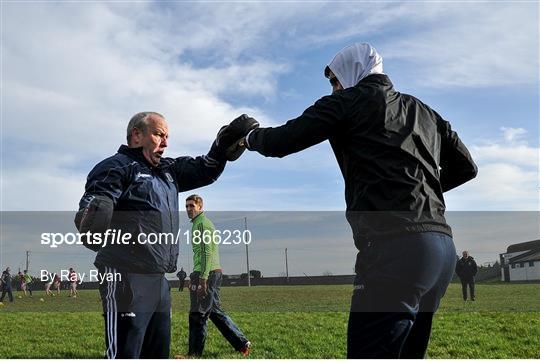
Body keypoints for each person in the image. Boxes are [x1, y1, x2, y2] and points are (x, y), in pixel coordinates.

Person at [234, 43, 477, 358]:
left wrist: (249, 136)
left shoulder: (346, 102)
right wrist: (420, 192)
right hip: (442, 250)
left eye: (336, 81)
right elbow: (466, 167)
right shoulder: (424, 110)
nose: (334, 89)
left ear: (352, 73)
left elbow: (284, 140)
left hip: (395, 247)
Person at [74, 111, 257, 359]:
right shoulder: (116, 166)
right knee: (126, 353)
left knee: (158, 353)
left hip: (159, 279)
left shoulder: (169, 170)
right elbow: (97, 198)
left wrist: (221, 147)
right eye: (159, 134)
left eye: (168, 136)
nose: (166, 142)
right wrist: (95, 212)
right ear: (137, 135)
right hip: (125, 275)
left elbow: (205, 169)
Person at [184, 194, 251, 357]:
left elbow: (207, 253)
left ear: (200, 206)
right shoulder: (197, 224)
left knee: (198, 314)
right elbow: (199, 254)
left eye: (192, 206)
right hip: (205, 273)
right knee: (214, 311)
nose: (188, 209)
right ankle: (242, 343)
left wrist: (202, 279)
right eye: (186, 206)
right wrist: (194, 275)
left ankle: (194, 354)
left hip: (209, 274)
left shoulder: (203, 225)